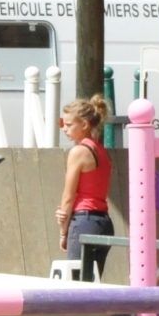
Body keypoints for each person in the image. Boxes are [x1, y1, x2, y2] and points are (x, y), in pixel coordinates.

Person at [55, 94, 113, 281]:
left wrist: (63, 231)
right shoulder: (101, 151)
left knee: (76, 286)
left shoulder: (78, 152)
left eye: (69, 124)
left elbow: (68, 196)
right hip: (103, 222)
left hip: (84, 221)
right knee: (92, 283)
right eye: (62, 123)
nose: (64, 129)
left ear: (85, 125)